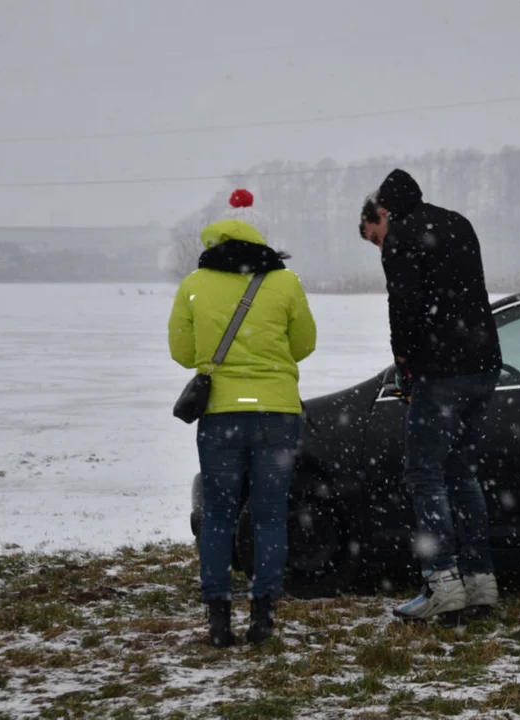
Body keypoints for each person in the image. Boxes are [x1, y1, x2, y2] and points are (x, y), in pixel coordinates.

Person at [169, 188, 317, 647]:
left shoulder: (194, 284)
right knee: (270, 516)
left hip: (221, 414)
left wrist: (217, 362)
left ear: (212, 246)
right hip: (276, 411)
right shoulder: (285, 282)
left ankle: (218, 618)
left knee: (217, 515)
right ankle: (264, 614)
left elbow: (181, 352)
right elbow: (304, 344)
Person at [359, 169, 503, 624]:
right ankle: (480, 583)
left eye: (374, 236)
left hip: (442, 370)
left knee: (425, 475)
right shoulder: (457, 222)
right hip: (483, 363)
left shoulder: (402, 236)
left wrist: (405, 362)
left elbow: (403, 306)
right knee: (463, 472)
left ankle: (441, 584)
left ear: (382, 212)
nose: (379, 246)